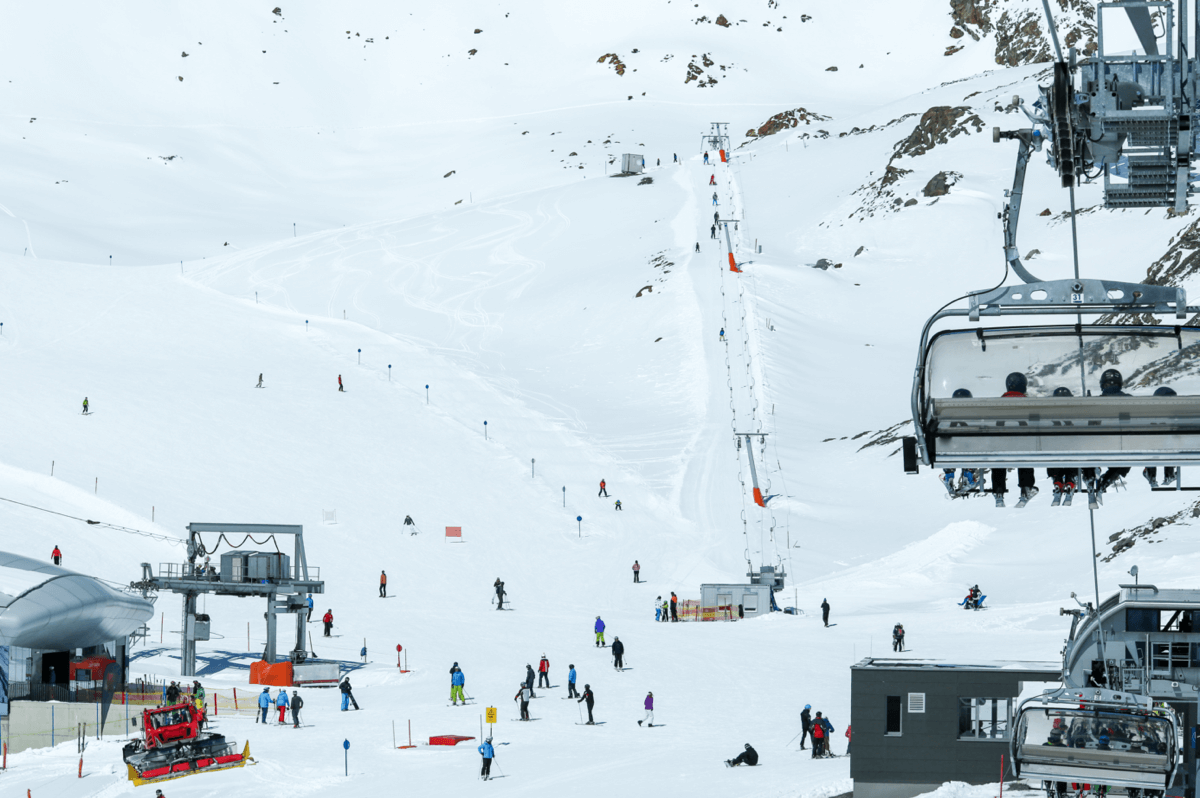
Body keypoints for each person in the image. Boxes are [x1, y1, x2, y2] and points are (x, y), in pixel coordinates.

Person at [990, 373, 1038, 507]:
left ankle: (998, 491)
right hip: (1023, 445)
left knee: (998, 453)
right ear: (1024, 387)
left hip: (1001, 445)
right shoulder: (1030, 404)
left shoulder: (995, 404)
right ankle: (1026, 487)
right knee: (1025, 450)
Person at [1046, 387, 1081, 505]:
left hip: (1054, 450)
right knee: (1074, 452)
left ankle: (1057, 481)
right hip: (1074, 449)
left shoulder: (1049, 414)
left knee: (1054, 452)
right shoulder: (1077, 413)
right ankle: (1070, 481)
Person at [941, 389, 979, 495]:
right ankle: (969, 476)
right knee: (971, 446)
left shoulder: (945, 414)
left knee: (946, 447)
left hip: (949, 451)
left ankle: (948, 476)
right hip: (968, 449)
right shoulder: (975, 415)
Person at [1145, 388, 1180, 488]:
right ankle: (1169, 474)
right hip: (1168, 445)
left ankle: (1151, 474)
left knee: (1155, 443)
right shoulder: (1173, 414)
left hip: (1151, 445)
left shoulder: (1151, 414)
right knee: (1170, 443)